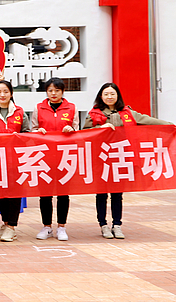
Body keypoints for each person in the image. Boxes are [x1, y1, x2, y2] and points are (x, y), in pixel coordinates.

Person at [84, 82, 172, 239]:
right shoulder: (94, 114)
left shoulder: (128, 113)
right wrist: (100, 128)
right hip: (101, 159)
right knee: (101, 194)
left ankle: (117, 225)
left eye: (112, 94)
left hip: (120, 159)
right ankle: (103, 225)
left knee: (117, 194)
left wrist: (170, 125)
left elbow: (148, 120)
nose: (109, 97)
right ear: (100, 96)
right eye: (106, 94)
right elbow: (84, 132)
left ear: (117, 96)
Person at [32, 77, 78, 241]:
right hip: (44, 156)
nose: (53, 93)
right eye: (50, 90)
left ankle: (61, 227)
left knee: (63, 193)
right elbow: (33, 130)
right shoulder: (39, 108)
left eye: (57, 90)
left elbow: (77, 131)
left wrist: (71, 129)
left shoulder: (71, 108)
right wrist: (38, 131)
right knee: (45, 193)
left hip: (64, 156)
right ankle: (46, 227)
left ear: (62, 92)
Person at [0, 81, 30, 242]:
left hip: (16, 159)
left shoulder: (19, 112)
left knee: (15, 193)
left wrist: (19, 139)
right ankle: (5, 223)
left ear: (11, 93)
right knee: (1, 192)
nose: (2, 95)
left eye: (5, 91)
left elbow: (27, 134)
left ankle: (12, 226)